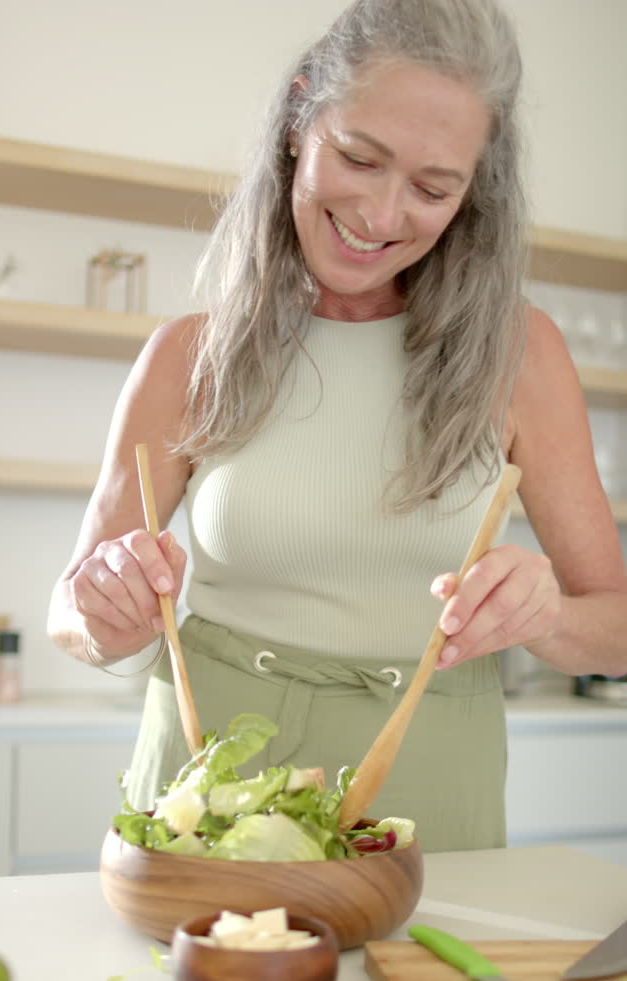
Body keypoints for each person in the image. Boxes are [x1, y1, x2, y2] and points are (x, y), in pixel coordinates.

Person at [48, 0, 627, 853]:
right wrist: (109, 612)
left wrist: (545, 617)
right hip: (207, 773)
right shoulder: (187, 354)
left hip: (428, 782)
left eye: (433, 188)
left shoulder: (520, 354)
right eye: (359, 157)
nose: (384, 217)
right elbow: (71, 608)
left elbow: (612, 624)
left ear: (474, 194)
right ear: (299, 118)